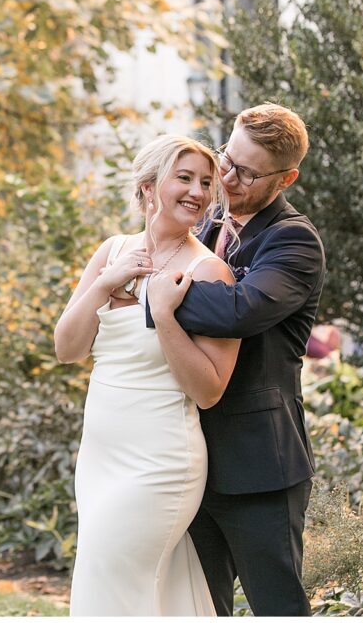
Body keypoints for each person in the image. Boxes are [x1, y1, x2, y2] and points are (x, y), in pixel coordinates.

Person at [145, 103, 325, 616]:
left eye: (246, 171)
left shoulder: (293, 240)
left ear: (286, 176)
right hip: (186, 461)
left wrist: (150, 293)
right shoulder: (204, 227)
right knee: (201, 608)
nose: (226, 176)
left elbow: (239, 312)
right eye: (228, 157)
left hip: (258, 467)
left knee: (277, 607)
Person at [55, 135, 241, 616]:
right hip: (100, 458)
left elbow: (208, 390)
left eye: (206, 182)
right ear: (147, 188)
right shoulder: (112, 251)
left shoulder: (209, 272)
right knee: (144, 590)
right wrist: (105, 282)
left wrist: (163, 315)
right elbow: (67, 348)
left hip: (160, 461)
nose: (198, 192)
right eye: (184, 177)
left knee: (111, 581)